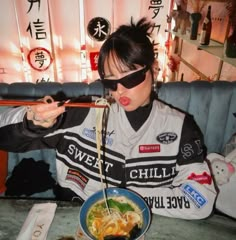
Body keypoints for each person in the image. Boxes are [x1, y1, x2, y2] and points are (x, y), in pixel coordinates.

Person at [0, 18, 216, 219]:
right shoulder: (84, 112)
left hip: (142, 224)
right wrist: (31, 122)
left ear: (154, 70)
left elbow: (200, 199)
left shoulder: (180, 128)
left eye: (130, 78)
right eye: (110, 82)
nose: (119, 90)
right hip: (73, 219)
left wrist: (126, 200)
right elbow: (5, 138)